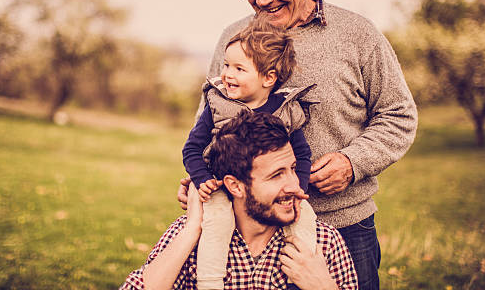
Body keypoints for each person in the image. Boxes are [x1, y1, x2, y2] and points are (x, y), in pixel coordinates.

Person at [178, 0, 418, 289]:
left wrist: (352, 163)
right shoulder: (233, 38)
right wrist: (202, 176)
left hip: (342, 224)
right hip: (246, 231)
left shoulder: (357, 34)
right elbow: (211, 122)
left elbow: (398, 115)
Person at [120, 111, 358, 290]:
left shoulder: (323, 243)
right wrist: (192, 228)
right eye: (276, 175)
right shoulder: (192, 236)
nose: (295, 186)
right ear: (235, 185)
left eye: (293, 169)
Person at [182, 17, 317, 289]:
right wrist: (201, 178)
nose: (227, 74)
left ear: (269, 78)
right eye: (226, 65)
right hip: (221, 186)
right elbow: (192, 148)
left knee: (306, 220)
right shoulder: (218, 104)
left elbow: (301, 155)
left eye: (239, 69)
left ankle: (301, 276)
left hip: (271, 193)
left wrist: (298, 188)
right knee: (217, 224)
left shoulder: (285, 109)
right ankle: (210, 282)